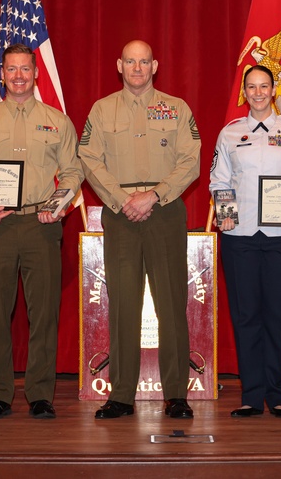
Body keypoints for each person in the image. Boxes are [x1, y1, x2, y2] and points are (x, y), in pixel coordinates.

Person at [78, 39, 201, 419]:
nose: (137, 68)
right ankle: (121, 395)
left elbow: (190, 161)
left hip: (163, 212)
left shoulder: (177, 108)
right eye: (130, 62)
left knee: (170, 304)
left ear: (155, 65)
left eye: (143, 61)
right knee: (124, 305)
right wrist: (122, 200)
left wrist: (154, 195)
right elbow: (89, 159)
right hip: (119, 214)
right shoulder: (102, 110)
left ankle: (176, 394)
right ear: (119, 65)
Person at [0, 43, 84, 420]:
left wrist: (59, 205)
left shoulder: (57, 122)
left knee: (44, 314)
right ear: (2, 74)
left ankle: (40, 394)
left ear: (36, 73)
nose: (18, 76)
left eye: (25, 70)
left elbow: (73, 173)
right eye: (11, 69)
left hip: (40, 224)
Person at [209, 65, 281, 419]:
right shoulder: (229, 134)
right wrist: (225, 215)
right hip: (239, 237)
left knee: (279, 315)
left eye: (264, 86)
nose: (257, 92)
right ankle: (251, 395)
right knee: (246, 316)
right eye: (251, 87)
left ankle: (278, 393)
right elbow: (219, 179)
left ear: (274, 90)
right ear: (244, 92)